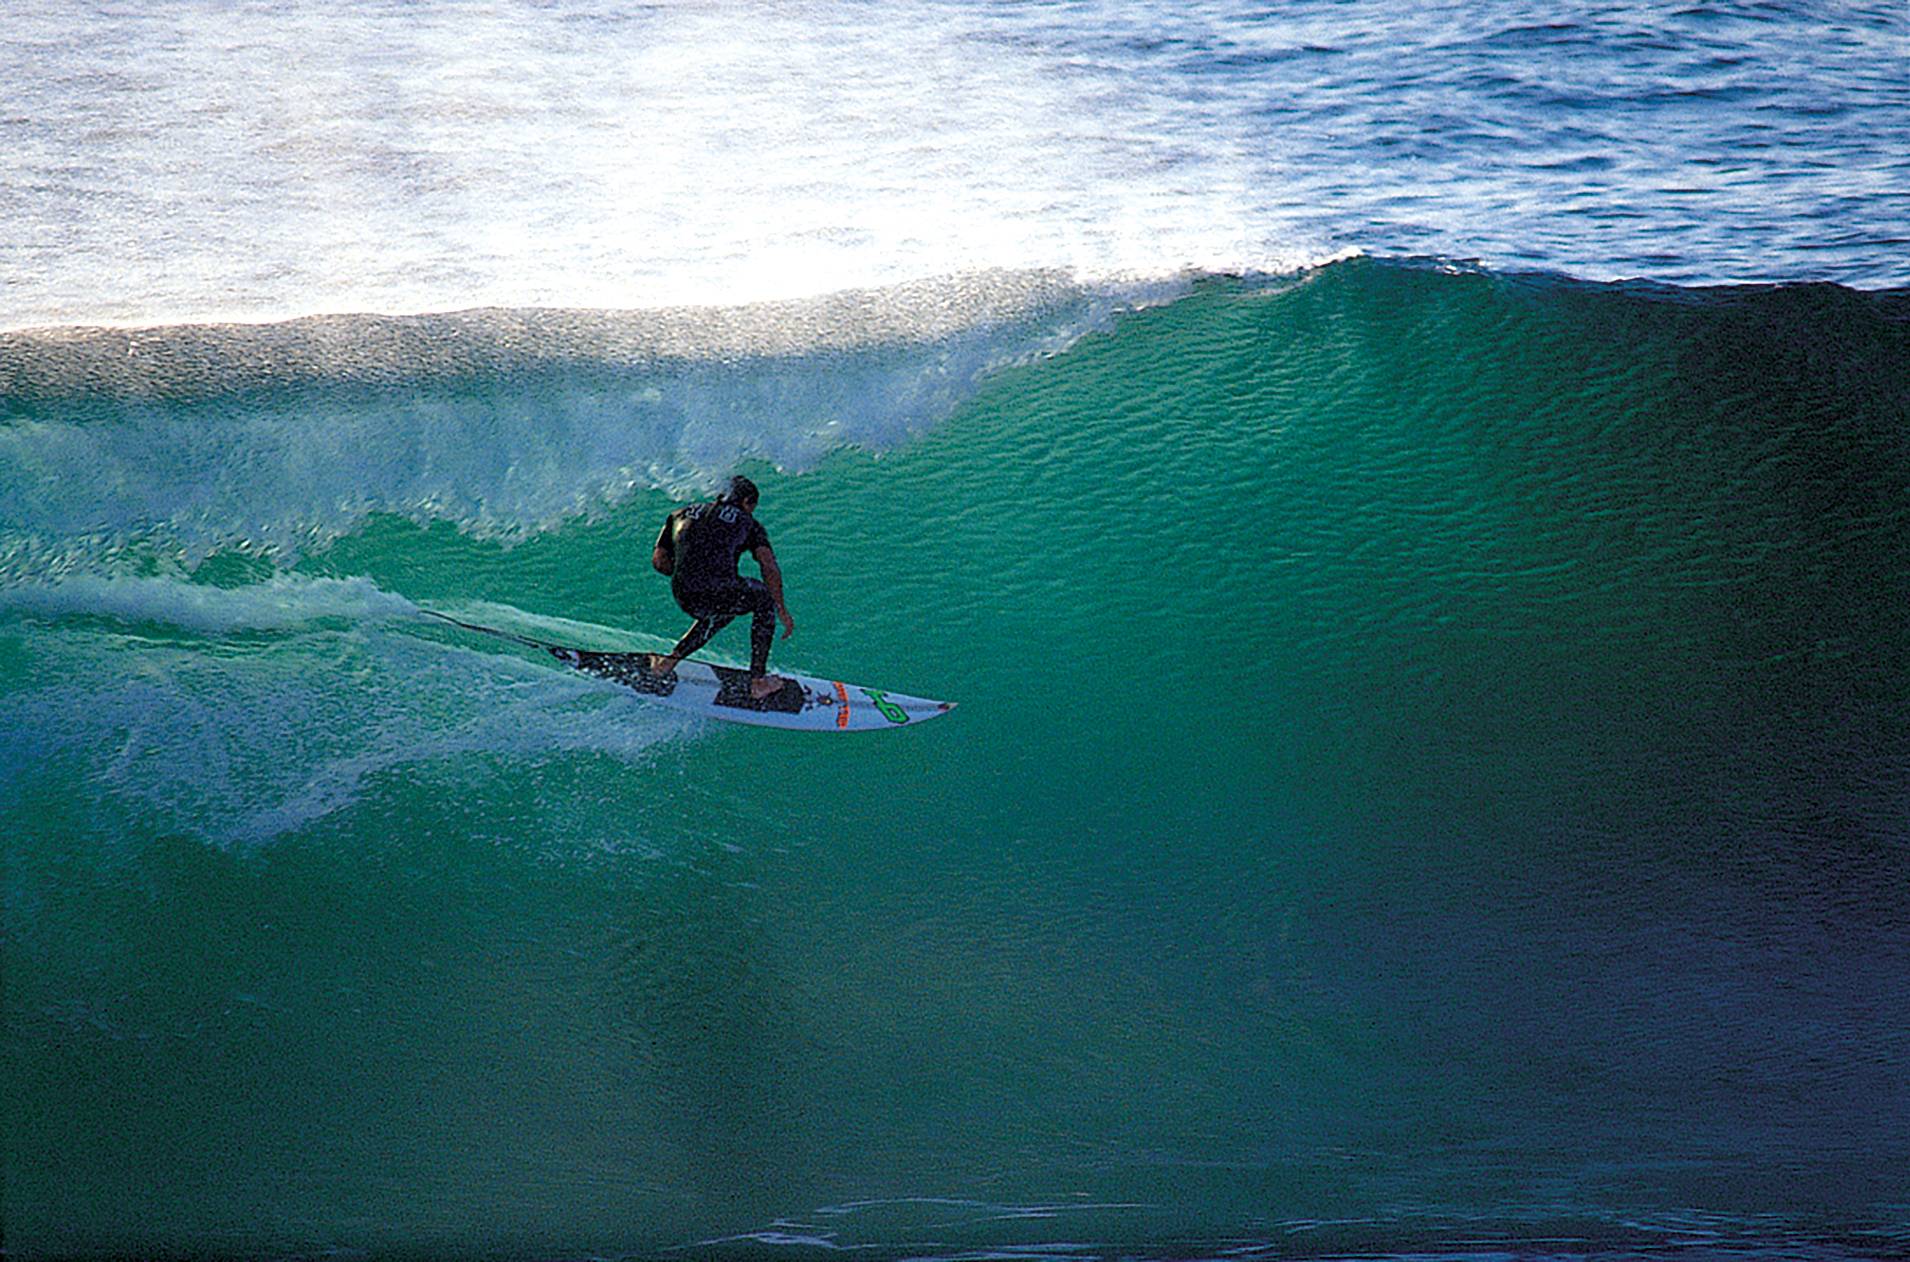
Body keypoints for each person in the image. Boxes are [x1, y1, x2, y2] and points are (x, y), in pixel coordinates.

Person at [648, 475, 795, 699]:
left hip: (683, 594)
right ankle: (758, 681)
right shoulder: (748, 523)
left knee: (724, 609)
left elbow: (660, 562)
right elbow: (768, 565)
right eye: (752, 507)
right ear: (746, 502)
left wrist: (692, 572)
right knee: (761, 597)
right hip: (717, 592)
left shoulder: (679, 514)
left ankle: (668, 662)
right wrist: (780, 608)